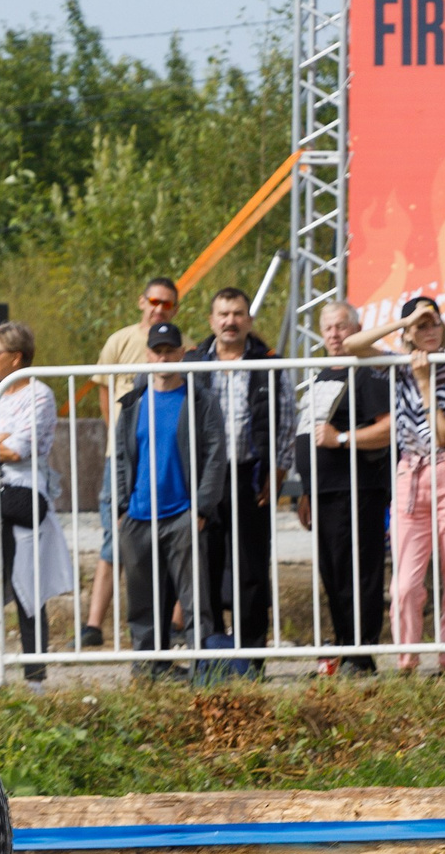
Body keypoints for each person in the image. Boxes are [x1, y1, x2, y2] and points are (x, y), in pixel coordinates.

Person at [345, 297, 445, 675]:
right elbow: (352, 346)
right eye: (420, 325)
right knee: (404, 583)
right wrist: (402, 327)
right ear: (407, 334)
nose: (429, 330)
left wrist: (424, 381)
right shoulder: (397, 365)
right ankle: (407, 661)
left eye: (433, 322)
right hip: (409, 474)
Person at [192, 286, 293, 673]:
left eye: (237, 314)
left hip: (252, 475)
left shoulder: (269, 362)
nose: (230, 321)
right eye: (223, 314)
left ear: (249, 320)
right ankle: (213, 658)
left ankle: (252, 659)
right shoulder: (194, 361)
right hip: (207, 479)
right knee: (207, 567)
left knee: (251, 570)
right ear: (211, 321)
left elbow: (285, 419)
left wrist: (278, 470)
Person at [114, 323, 227, 663]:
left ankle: (201, 667)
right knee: (142, 601)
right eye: (157, 350)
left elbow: (215, 454)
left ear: (181, 353)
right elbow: (120, 457)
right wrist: (122, 506)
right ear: (148, 354)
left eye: (169, 350)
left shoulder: (199, 400)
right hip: (138, 514)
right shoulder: (133, 403)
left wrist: (202, 509)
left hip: (183, 514)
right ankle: (149, 668)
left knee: (195, 599)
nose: (163, 356)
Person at [0, 321, 68, 681]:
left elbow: (18, 449)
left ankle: (35, 676)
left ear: (16, 358)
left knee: (28, 588)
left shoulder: (39, 394)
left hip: (21, 495)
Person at [84, 277, 182, 651]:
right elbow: (104, 390)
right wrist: (119, 440)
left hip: (168, 456)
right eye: (155, 300)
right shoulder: (120, 341)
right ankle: (94, 623)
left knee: (174, 535)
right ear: (142, 301)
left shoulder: (178, 344)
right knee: (116, 535)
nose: (159, 307)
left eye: (168, 303)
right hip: (122, 457)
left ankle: (174, 622)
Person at [296, 301, 391, 675]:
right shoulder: (321, 374)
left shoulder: (366, 373)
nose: (335, 335)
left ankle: (361, 656)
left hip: (357, 489)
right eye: (329, 328)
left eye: (342, 327)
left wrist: (344, 439)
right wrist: (305, 490)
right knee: (333, 574)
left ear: (357, 329)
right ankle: (344, 646)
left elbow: (386, 429)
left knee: (360, 574)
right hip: (321, 492)